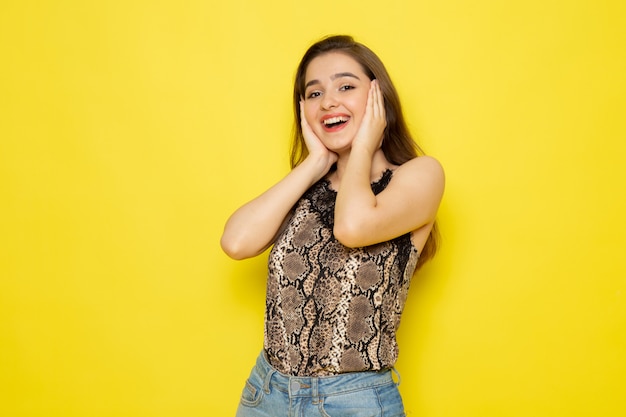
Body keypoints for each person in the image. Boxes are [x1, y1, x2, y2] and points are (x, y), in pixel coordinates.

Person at [221, 35, 445, 417]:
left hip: (354, 401)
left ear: (379, 99)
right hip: (268, 394)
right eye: (314, 94)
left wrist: (362, 146)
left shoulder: (420, 176)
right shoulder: (307, 187)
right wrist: (313, 164)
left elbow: (352, 227)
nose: (328, 102)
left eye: (346, 86)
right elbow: (236, 243)